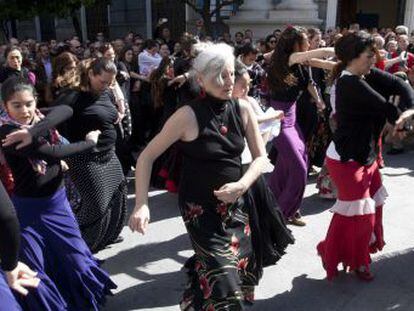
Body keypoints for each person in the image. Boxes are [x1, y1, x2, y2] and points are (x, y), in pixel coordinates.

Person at [128, 43, 293, 310]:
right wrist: (141, 204)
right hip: (200, 210)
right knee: (224, 282)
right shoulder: (186, 115)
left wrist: (241, 185)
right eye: (220, 76)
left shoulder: (242, 108)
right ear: (201, 79)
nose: (229, 82)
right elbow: (146, 157)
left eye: (230, 74)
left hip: (236, 205)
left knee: (237, 269)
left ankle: (194, 300)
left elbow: (261, 158)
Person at [0, 77, 116, 309]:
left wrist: (34, 130)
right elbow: (53, 153)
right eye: (17, 105)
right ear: (4, 106)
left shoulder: (36, 119)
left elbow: (65, 109)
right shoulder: (7, 131)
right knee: (36, 269)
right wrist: (88, 143)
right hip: (29, 211)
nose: (25, 110)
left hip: (57, 203)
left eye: (29, 103)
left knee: (76, 261)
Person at [317, 31, 414, 281]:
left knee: (372, 210)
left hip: (367, 154)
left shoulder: (365, 74)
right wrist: (402, 119)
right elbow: (386, 106)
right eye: (370, 56)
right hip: (347, 159)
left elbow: (400, 85)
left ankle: (359, 256)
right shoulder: (350, 82)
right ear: (352, 57)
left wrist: (409, 108)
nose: (375, 60)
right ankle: (334, 253)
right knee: (358, 217)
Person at [53, 58, 128, 252]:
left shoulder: (105, 93)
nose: (106, 86)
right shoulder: (71, 96)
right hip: (85, 158)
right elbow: (54, 128)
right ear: (91, 74)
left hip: (108, 154)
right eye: (102, 81)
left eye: (110, 83)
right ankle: (81, 245)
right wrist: (61, 154)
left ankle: (107, 236)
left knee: (117, 194)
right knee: (95, 204)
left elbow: (109, 115)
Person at [266, 26, 334, 226]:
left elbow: (321, 67)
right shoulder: (290, 58)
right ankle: (281, 213)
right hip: (279, 119)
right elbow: (323, 53)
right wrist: (343, 49)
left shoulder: (301, 60)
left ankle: (274, 206)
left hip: (293, 116)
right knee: (299, 167)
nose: (308, 44)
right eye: (305, 41)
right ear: (295, 43)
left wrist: (350, 65)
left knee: (286, 165)